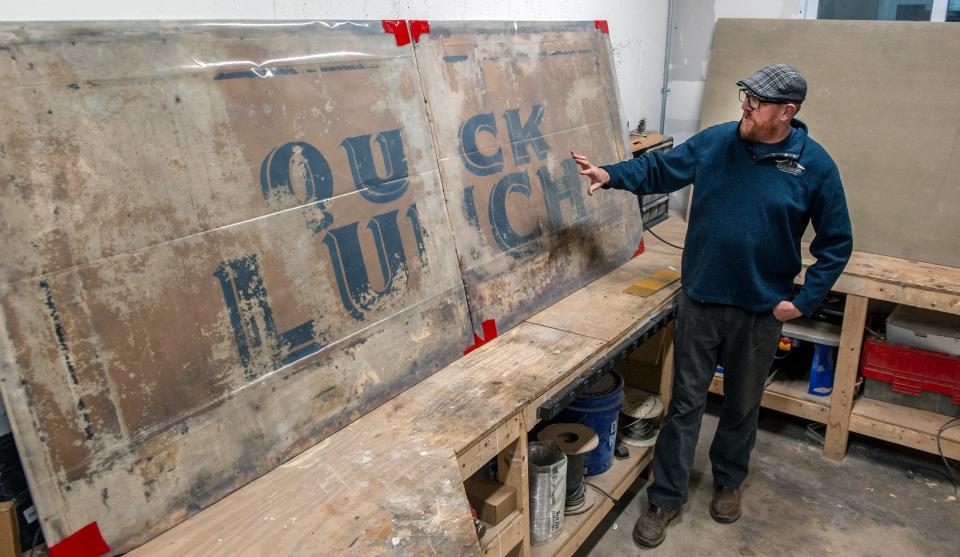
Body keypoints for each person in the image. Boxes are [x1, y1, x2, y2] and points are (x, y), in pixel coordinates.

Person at [571, 64, 853, 549]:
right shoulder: (717, 142)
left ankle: (727, 482)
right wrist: (611, 174)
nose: (745, 105)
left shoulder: (814, 165)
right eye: (745, 95)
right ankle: (664, 498)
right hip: (701, 299)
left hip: (762, 310)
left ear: (787, 112)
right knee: (685, 404)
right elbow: (662, 169)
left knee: (742, 405)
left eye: (757, 102)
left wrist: (803, 302)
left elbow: (837, 242)